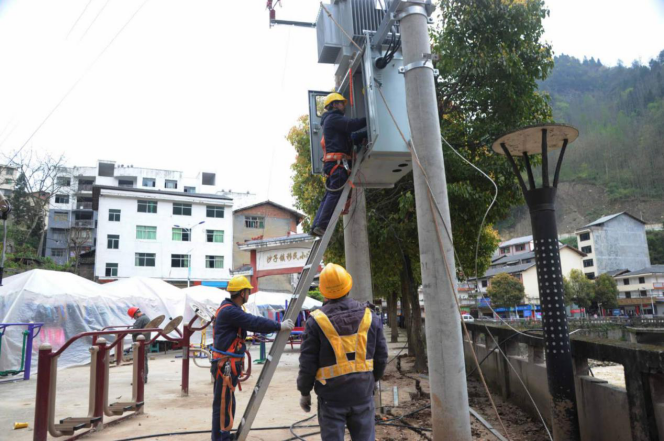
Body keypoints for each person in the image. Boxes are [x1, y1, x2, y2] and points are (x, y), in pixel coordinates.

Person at [297, 263, 388, 441]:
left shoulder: (316, 321)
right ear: (348, 285)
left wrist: (305, 392)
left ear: (324, 291)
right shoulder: (370, 316)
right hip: (362, 392)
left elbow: (308, 363)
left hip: (331, 397)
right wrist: (373, 380)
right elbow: (381, 356)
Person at [211, 276, 294, 441]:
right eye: (248, 291)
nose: (249, 294)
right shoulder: (230, 311)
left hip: (226, 363)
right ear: (242, 293)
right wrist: (278, 326)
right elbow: (254, 322)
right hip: (225, 365)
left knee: (225, 402)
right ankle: (222, 438)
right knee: (223, 404)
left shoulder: (229, 308)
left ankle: (222, 436)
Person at [310, 92, 367, 237]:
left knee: (329, 195)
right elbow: (351, 125)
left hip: (333, 164)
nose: (344, 106)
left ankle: (317, 225)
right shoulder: (334, 118)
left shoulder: (331, 121)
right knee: (334, 194)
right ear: (334, 104)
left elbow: (351, 136)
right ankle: (322, 225)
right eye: (341, 103)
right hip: (337, 164)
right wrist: (371, 120)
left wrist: (364, 134)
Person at [128, 307, 151, 384]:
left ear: (135, 314)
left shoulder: (140, 319)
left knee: (140, 361)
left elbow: (134, 331)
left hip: (141, 345)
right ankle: (144, 377)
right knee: (144, 361)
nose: (134, 319)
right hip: (145, 343)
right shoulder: (146, 318)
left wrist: (128, 331)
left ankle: (140, 378)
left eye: (133, 317)